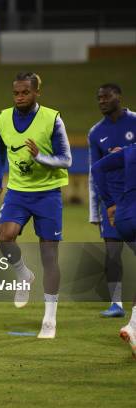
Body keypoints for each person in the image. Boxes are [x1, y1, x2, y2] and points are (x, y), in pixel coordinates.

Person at [0, 72, 72, 339]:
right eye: (16, 93)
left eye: (25, 92)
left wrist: (41, 158)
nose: (19, 97)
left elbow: (67, 160)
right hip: (18, 192)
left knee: (49, 256)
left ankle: (49, 319)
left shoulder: (52, 119)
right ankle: (23, 274)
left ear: (37, 92)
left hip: (48, 194)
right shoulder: (3, 118)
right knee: (5, 235)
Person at [88, 83, 136, 317]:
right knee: (112, 254)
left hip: (134, 198)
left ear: (119, 96)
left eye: (106, 96)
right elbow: (94, 172)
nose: (102, 101)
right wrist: (96, 211)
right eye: (99, 98)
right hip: (112, 204)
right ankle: (116, 304)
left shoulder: (135, 121)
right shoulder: (96, 133)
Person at [91, 144, 136, 358]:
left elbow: (97, 168)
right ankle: (133, 325)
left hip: (124, 217)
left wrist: (109, 203)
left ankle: (133, 324)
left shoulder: (130, 150)